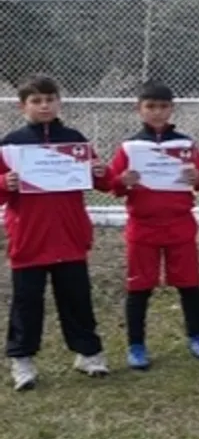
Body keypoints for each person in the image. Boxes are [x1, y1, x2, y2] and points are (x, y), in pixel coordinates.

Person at [1, 75, 110, 389]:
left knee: (76, 298)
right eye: (36, 101)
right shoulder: (10, 145)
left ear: (59, 102)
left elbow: (103, 182)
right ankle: (22, 360)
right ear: (23, 106)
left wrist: (100, 172)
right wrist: (4, 183)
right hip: (29, 238)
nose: (44, 106)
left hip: (69, 236)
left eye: (50, 99)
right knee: (27, 302)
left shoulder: (74, 140)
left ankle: (88, 353)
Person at [108, 81, 199, 370]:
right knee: (139, 287)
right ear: (139, 109)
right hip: (143, 228)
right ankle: (136, 344)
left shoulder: (184, 144)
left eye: (163, 106)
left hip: (180, 225)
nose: (157, 112)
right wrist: (122, 181)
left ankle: (196, 336)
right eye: (151, 107)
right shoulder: (130, 147)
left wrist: (197, 177)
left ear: (172, 109)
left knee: (189, 283)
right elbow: (113, 184)